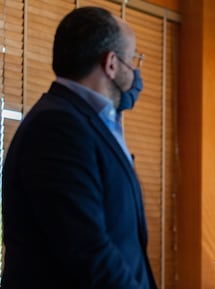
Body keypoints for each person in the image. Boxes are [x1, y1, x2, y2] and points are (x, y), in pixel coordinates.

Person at [1, 6, 157, 289]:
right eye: (133, 60)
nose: (135, 72)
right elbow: (88, 252)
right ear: (111, 63)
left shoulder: (87, 122)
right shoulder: (58, 127)